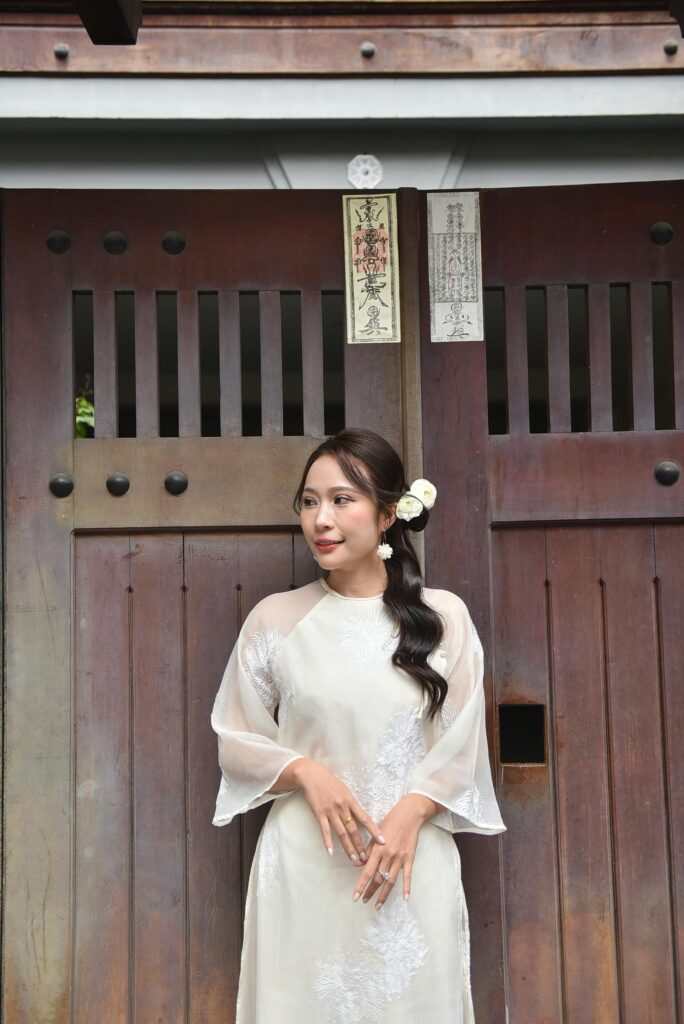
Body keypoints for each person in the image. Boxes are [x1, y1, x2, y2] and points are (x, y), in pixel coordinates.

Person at [210, 427, 506, 1023]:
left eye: (342, 499)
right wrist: (303, 770)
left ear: (389, 513)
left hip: (409, 862)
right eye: (311, 501)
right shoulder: (276, 619)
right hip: (303, 863)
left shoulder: (443, 618)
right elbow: (235, 737)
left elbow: (463, 738)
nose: (322, 518)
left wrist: (413, 811)